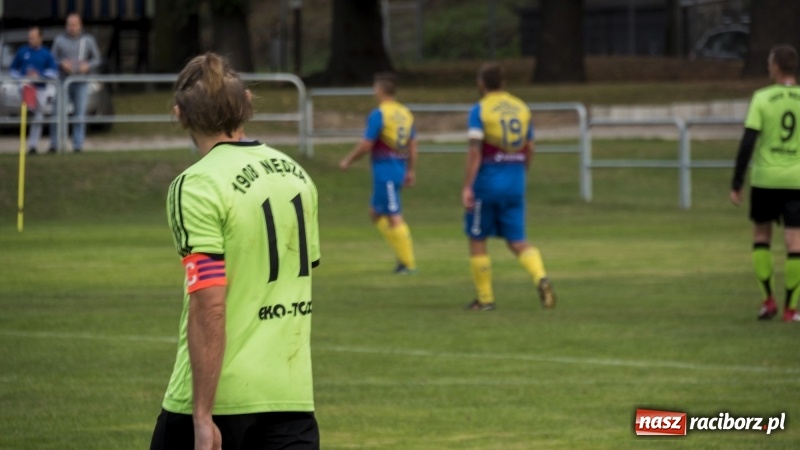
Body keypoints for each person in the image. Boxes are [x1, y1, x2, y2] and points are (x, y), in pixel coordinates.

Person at [150, 53, 321, 450]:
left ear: (180, 114)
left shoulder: (197, 185)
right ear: (247, 102)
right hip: (291, 399)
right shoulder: (297, 176)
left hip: (221, 403)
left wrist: (202, 416)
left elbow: (210, 305)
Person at [462, 63, 556, 311]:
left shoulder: (480, 110)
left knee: (477, 237)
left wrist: (468, 186)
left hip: (487, 184)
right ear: (503, 83)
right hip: (515, 183)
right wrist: (522, 172)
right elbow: (530, 147)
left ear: (481, 83)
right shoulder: (522, 108)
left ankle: (485, 299)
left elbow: (475, 151)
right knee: (517, 240)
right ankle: (540, 277)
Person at [731, 44, 800, 323]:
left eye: (770, 63)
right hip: (796, 180)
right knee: (795, 242)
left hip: (765, 180)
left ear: (776, 67)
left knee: (761, 236)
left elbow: (748, 142)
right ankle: (791, 309)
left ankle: (768, 301)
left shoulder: (761, 98)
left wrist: (737, 182)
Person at [339, 72, 418, 274]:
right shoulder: (405, 113)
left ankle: (408, 264)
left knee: (393, 215)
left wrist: (348, 160)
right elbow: (413, 144)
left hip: (386, 170)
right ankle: (402, 257)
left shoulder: (379, 114)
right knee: (375, 212)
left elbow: (367, 144)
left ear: (380, 90)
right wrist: (410, 170)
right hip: (398, 168)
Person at [51, 12, 101, 153]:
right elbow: (51, 59)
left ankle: (78, 145)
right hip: (63, 82)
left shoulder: (88, 40)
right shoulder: (59, 40)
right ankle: (55, 144)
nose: (71, 27)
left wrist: (87, 66)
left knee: (79, 114)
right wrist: (62, 63)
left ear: (80, 25)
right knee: (57, 113)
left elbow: (97, 59)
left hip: (81, 81)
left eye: (74, 24)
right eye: (69, 24)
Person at [9, 26, 58, 155]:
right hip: (25, 86)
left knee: (38, 117)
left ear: (40, 38)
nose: (30, 40)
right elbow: (13, 70)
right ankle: (29, 106)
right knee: (26, 88)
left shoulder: (46, 53)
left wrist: (39, 75)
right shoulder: (22, 51)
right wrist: (22, 77)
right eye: (29, 38)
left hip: (41, 88)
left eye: (33, 38)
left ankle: (33, 146)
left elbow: (53, 72)